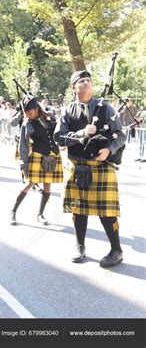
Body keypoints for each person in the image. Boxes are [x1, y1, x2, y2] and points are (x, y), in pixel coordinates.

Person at [54, 70, 126, 268]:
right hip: (77, 165)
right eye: (81, 81)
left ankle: (116, 250)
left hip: (102, 165)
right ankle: (80, 246)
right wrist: (81, 133)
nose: (86, 83)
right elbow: (58, 137)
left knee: (107, 211)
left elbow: (121, 135)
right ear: (74, 87)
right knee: (78, 209)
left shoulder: (106, 108)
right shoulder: (68, 111)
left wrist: (109, 150)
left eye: (88, 80)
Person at [10, 95, 63, 226]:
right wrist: (24, 165)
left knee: (47, 186)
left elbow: (60, 129)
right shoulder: (27, 123)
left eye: (30, 112)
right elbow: (23, 145)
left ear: (36, 108)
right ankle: (13, 212)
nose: (28, 115)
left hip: (53, 155)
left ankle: (40, 214)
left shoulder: (50, 117)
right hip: (38, 156)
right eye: (26, 113)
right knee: (29, 183)